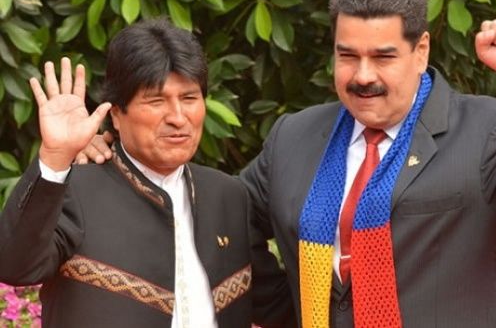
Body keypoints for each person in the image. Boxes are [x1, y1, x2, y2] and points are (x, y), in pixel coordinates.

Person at [81, 0, 496, 327]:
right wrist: (110, 155)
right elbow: (218, 220)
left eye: (383, 56)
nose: (362, 75)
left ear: (421, 51)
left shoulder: (484, 128)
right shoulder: (296, 136)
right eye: (347, 55)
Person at [0, 19, 292, 328]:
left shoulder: (228, 196)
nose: (178, 118)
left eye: (189, 98)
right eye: (156, 101)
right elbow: (15, 265)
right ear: (116, 113)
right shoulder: (76, 190)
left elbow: (278, 305)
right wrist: (56, 156)